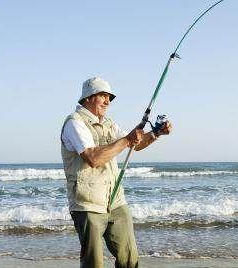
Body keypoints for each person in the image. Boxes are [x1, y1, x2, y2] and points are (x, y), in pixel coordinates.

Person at [60, 76, 172, 268]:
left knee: (129, 259)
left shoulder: (109, 123)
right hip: (88, 204)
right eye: (102, 96)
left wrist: (155, 133)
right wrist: (127, 140)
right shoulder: (74, 123)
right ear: (88, 98)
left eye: (109, 97)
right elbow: (93, 158)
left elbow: (134, 145)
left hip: (115, 200)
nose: (107, 101)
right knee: (93, 263)